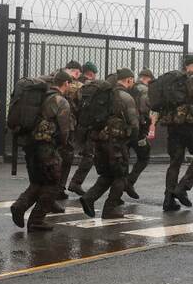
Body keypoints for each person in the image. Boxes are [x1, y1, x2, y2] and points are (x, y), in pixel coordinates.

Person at [10, 70, 75, 232]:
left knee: (38, 182)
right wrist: (62, 145)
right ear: (66, 83)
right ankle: (36, 220)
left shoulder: (40, 97)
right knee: (53, 184)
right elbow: (64, 131)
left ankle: (19, 206)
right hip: (46, 148)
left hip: (30, 145)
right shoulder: (61, 101)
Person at [80, 68, 139, 219]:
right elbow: (134, 125)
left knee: (107, 174)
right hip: (117, 144)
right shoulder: (125, 97)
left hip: (99, 140)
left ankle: (89, 198)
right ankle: (110, 209)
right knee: (121, 176)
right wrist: (132, 141)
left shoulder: (103, 96)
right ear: (128, 80)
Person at [161, 54, 193, 212]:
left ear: (185, 66)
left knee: (175, 161)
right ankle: (182, 188)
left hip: (172, 125)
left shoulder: (173, 81)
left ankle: (168, 200)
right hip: (190, 125)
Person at [66, 61, 100, 195]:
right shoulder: (84, 86)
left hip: (70, 124)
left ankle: (60, 187)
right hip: (83, 126)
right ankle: (75, 183)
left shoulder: (68, 83)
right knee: (89, 155)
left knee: (66, 156)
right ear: (91, 73)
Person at [125, 68, 154, 200]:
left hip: (124, 128)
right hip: (138, 129)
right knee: (144, 156)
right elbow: (145, 108)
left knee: (124, 158)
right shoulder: (145, 90)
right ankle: (129, 182)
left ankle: (118, 191)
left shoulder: (128, 87)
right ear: (147, 78)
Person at [58, 59, 84, 196]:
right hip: (67, 125)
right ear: (76, 72)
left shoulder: (52, 78)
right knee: (67, 157)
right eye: (78, 73)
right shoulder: (74, 85)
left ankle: (53, 188)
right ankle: (59, 188)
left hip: (51, 125)